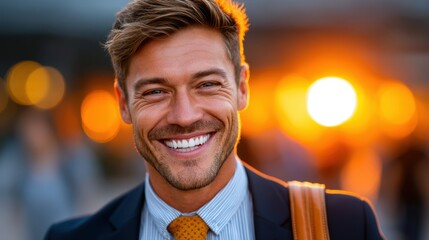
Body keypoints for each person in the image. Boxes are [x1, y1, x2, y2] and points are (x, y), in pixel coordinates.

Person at [45, 0, 385, 239]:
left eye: (207, 85)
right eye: (155, 92)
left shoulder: (341, 226)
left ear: (241, 88)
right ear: (123, 103)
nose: (184, 116)